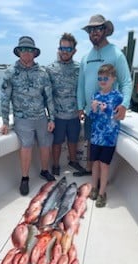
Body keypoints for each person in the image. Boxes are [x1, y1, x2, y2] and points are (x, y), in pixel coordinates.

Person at [73, 14, 132, 177]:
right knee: (91, 142)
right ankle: (90, 171)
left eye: (98, 28)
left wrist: (124, 104)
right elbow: (80, 85)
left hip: (109, 112)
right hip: (90, 111)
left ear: (105, 30)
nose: (94, 32)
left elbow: (126, 81)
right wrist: (80, 107)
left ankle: (102, 179)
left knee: (105, 146)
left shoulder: (116, 54)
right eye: (91, 29)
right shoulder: (85, 58)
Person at [0, 36, 55, 196]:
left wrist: (51, 118)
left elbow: (48, 98)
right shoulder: (10, 73)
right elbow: (5, 98)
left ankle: (44, 171)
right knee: (26, 147)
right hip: (22, 119)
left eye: (30, 50)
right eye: (23, 50)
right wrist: (5, 121)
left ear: (34, 53)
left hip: (41, 117)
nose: (26, 53)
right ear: (18, 52)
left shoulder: (43, 73)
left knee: (45, 145)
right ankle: (25, 178)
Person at [46, 33, 85, 176]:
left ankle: (73, 161)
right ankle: (55, 165)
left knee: (73, 140)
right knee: (57, 142)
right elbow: (46, 93)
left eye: (68, 49)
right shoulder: (50, 69)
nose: (64, 51)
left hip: (74, 114)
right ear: (59, 49)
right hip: (58, 115)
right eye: (62, 48)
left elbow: (84, 89)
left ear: (74, 51)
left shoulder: (80, 68)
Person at [89, 64, 123, 207]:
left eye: (106, 78)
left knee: (104, 165)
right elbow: (92, 116)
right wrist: (94, 109)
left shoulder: (118, 97)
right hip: (95, 136)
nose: (102, 81)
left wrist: (108, 109)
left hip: (109, 139)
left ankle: (102, 193)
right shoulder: (95, 95)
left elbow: (119, 116)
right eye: (100, 78)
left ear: (113, 79)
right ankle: (94, 188)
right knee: (95, 163)